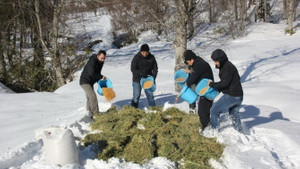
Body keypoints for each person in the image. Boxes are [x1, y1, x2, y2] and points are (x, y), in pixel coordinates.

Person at [208, 49, 244, 133]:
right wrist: (213, 95)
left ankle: (214, 131)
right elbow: (226, 84)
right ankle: (239, 131)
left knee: (214, 110)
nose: (215, 63)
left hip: (232, 96)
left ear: (221, 59)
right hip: (239, 96)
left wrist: (211, 84)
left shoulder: (227, 68)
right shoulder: (227, 66)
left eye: (216, 61)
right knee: (234, 113)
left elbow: (224, 84)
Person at [184, 50, 214, 131]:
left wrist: (187, 83)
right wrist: (190, 71)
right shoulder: (197, 63)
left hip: (208, 89)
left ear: (192, 60)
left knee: (203, 111)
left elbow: (194, 76)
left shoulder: (200, 64)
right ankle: (205, 126)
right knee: (202, 109)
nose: (188, 64)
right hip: (203, 88)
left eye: (188, 62)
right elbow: (195, 73)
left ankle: (207, 129)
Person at [80, 50, 107, 119]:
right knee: (92, 97)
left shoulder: (100, 62)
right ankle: (96, 113)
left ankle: (89, 112)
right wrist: (101, 76)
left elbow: (97, 72)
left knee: (89, 97)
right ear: (97, 56)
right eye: (101, 58)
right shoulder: (92, 61)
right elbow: (91, 73)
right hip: (85, 81)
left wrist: (99, 80)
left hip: (90, 81)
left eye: (104, 58)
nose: (103, 60)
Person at [130, 44, 158, 108]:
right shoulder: (136, 57)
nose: (145, 53)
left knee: (150, 95)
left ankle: (153, 109)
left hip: (148, 79)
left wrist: (153, 78)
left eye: (146, 52)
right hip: (137, 79)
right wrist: (141, 73)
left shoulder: (151, 57)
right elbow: (133, 69)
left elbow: (155, 68)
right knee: (136, 95)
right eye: (143, 52)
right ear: (141, 52)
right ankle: (133, 110)